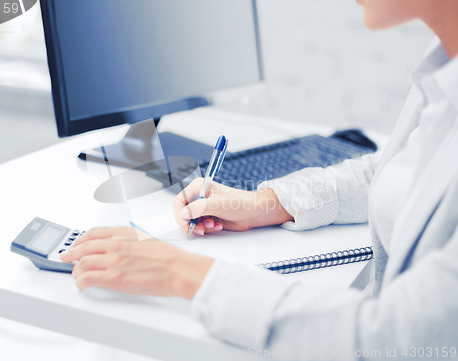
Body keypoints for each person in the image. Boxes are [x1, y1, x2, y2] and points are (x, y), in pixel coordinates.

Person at [60, 0, 458, 358]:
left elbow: (397, 340)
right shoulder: (443, 62)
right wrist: (264, 204)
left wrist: (180, 272)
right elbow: (394, 168)